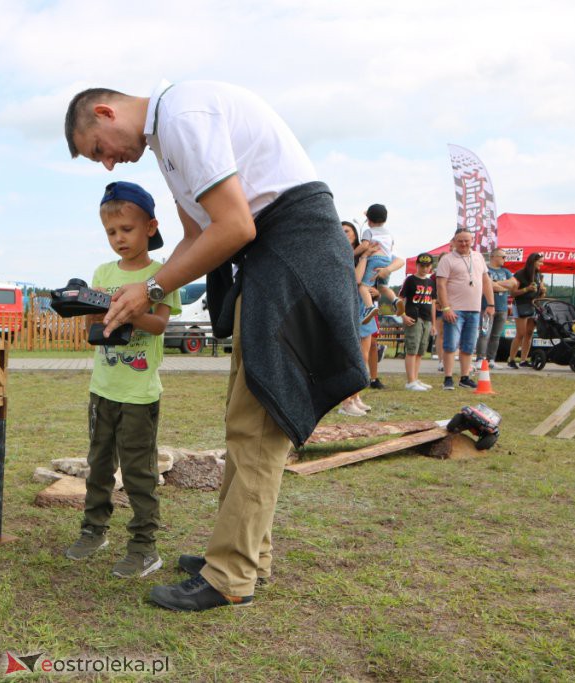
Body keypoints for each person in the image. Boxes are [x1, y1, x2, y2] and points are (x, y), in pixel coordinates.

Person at [65, 81, 366, 611]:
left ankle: (231, 574)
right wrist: (143, 291)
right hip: (270, 260)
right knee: (244, 415)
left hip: (291, 254)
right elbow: (194, 237)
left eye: (97, 150)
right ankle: (247, 554)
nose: (108, 165)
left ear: (106, 113)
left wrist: (152, 288)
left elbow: (233, 225)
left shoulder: (183, 115)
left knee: (257, 424)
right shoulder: (168, 141)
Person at [64, 181, 181, 578]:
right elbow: (92, 329)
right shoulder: (103, 271)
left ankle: (145, 546)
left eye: (126, 230)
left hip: (139, 393)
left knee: (138, 472)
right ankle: (94, 530)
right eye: (111, 232)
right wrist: (87, 306)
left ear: (150, 226)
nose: (118, 239)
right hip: (102, 389)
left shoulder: (160, 273)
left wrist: (130, 310)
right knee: (98, 465)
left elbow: (160, 324)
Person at [435, 230, 495, 389]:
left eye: (466, 241)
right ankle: (448, 378)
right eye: (460, 241)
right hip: (455, 309)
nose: (463, 244)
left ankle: (465, 377)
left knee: (469, 345)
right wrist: (446, 307)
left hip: (474, 309)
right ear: (454, 241)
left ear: (472, 240)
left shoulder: (478, 257)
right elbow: (440, 285)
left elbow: (486, 280)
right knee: (451, 344)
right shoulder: (447, 260)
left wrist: (490, 303)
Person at [338, 221, 374, 416]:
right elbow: (356, 279)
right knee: (349, 356)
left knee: (363, 356)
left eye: (348, 231)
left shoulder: (362, 255)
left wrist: (373, 290)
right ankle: (345, 402)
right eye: (341, 231)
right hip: (347, 306)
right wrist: (364, 256)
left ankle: (355, 396)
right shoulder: (339, 253)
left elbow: (368, 282)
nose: (345, 234)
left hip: (363, 306)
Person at [397, 254, 437, 390]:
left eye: (427, 266)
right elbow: (400, 298)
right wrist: (403, 315)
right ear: (417, 265)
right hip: (413, 317)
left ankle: (415, 377)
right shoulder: (410, 280)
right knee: (412, 349)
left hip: (427, 319)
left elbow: (433, 303)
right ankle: (410, 381)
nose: (425, 268)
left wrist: (434, 323)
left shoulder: (431, 282)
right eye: (422, 266)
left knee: (420, 350)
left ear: (431, 267)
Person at [358, 203, 400, 320]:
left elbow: (364, 246)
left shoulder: (368, 231)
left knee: (363, 287)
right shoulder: (389, 234)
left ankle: (370, 307)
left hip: (375, 260)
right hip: (387, 261)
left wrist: (352, 253)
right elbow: (390, 248)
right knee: (383, 287)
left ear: (369, 220)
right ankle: (395, 300)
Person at [475, 249, 515, 365]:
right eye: (503, 256)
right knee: (484, 333)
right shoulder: (485, 270)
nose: (505, 259)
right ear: (494, 256)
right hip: (487, 307)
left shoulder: (506, 271)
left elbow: (513, 284)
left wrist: (496, 284)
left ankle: (491, 359)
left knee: (496, 335)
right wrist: (502, 286)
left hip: (502, 309)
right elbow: (488, 285)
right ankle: (480, 358)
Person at [507, 252, 546, 368]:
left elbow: (540, 295)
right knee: (521, 333)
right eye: (540, 261)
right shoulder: (520, 274)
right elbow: (512, 293)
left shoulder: (540, 275)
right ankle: (512, 359)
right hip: (520, 305)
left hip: (533, 305)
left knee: (529, 333)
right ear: (533, 261)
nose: (542, 264)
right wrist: (526, 289)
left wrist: (543, 291)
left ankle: (523, 360)